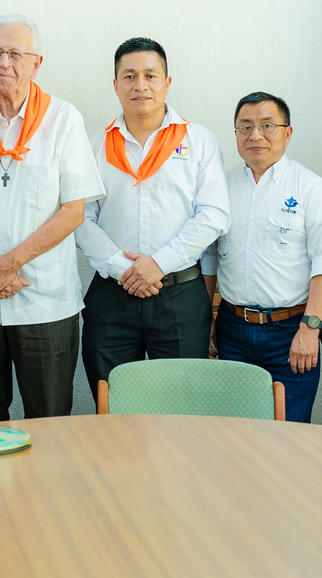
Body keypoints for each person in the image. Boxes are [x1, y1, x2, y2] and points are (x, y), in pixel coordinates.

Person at [0, 14, 104, 422]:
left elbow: (73, 210)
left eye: (15, 53)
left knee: (48, 422)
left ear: (36, 63)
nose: (3, 63)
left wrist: (8, 265)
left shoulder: (64, 120)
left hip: (45, 304)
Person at [75, 37, 228, 399]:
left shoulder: (199, 140)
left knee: (179, 408)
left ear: (167, 82)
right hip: (112, 295)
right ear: (115, 85)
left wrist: (158, 264)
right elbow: (80, 218)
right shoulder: (94, 145)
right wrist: (123, 270)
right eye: (129, 76)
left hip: (180, 297)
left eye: (150, 75)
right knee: (112, 402)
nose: (140, 85)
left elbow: (213, 215)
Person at [201, 92, 322, 423]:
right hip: (232, 329)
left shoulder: (311, 188)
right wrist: (207, 318)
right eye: (245, 127)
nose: (256, 135)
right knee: (235, 434)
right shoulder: (220, 186)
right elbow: (209, 259)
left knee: (289, 435)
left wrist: (310, 328)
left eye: (267, 125)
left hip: (291, 331)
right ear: (235, 133)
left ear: (287, 133)